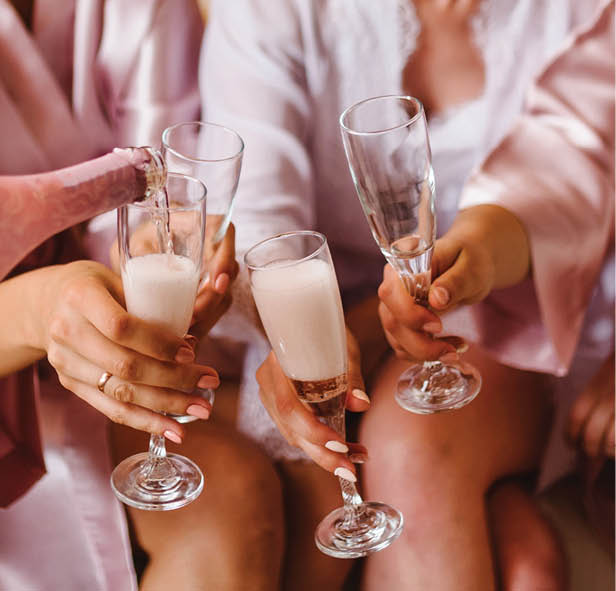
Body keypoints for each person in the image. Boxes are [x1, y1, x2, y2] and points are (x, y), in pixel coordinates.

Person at [0, 1, 277, 589]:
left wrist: (155, 246)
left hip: (125, 328)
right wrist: (42, 309)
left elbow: (163, 186)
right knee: (229, 496)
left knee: (264, 483)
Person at [199, 0, 605, 588]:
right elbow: (260, 220)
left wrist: (473, 259)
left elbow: (563, 175)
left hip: (500, 309)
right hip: (317, 315)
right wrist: (303, 333)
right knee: (527, 565)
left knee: (418, 447)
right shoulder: (273, 12)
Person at [377, 3, 614, 583]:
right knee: (528, 566)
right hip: (483, 317)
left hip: (559, 311)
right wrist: (476, 253)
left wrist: (477, 250)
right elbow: (556, 165)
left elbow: (568, 156)